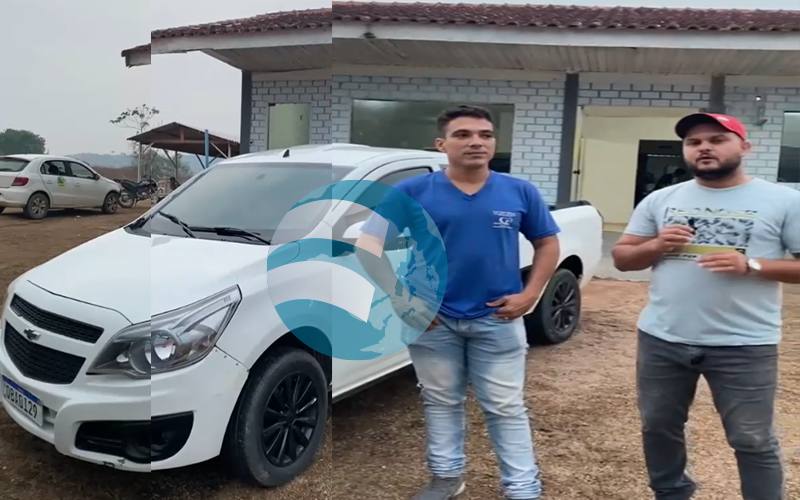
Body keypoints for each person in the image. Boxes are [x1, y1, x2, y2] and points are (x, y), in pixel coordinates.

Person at [355, 105, 561, 500]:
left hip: (497, 318)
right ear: (441, 144)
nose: (476, 142)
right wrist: (401, 299)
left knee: (505, 406)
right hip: (432, 320)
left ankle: (523, 488)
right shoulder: (412, 192)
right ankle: (446, 479)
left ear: (494, 143)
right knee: (440, 401)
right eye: (463, 135)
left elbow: (547, 243)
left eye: (485, 135)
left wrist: (530, 293)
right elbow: (369, 245)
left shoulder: (519, 191)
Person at [611, 112, 800, 500]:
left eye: (717, 139)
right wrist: (656, 245)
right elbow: (622, 258)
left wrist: (751, 265)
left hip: (744, 344)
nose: (704, 148)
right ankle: (671, 494)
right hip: (663, 339)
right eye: (694, 142)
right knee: (659, 427)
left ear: (745, 147)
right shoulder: (662, 199)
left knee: (752, 438)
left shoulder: (784, 201)